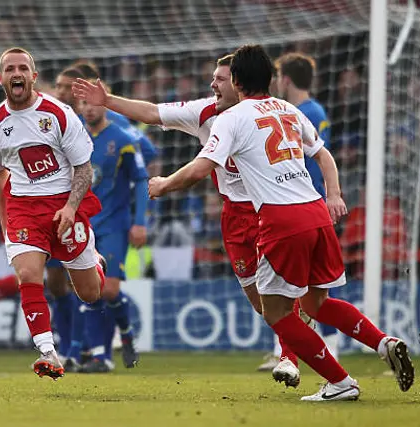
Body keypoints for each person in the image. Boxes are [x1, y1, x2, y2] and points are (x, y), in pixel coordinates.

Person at [147, 44, 414, 401]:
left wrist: (164, 184)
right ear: (271, 78)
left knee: (276, 312)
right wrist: (334, 194)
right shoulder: (288, 108)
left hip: (281, 218)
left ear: (237, 81)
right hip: (317, 213)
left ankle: (340, 382)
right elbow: (322, 154)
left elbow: (200, 168)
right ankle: (383, 342)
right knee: (316, 304)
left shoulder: (232, 117)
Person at [73, 54, 306, 387]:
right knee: (261, 303)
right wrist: (108, 100)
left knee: (277, 290)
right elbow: (153, 113)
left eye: (221, 79)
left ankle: (290, 357)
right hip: (234, 216)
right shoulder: (204, 112)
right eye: (212, 78)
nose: (213, 84)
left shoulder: (268, 112)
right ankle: (297, 323)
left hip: (269, 210)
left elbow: (315, 152)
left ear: (238, 82)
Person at [0, 47, 106, 379]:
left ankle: (94, 261)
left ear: (33, 77)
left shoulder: (59, 114)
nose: (17, 73)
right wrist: (5, 218)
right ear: (1, 78)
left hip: (65, 204)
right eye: (9, 69)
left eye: (23, 68)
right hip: (23, 206)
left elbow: (84, 169)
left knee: (90, 293)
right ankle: (49, 352)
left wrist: (70, 207)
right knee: (27, 274)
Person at [261, 52, 340, 366]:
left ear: (286, 79)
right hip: (305, 204)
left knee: (301, 283)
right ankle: (288, 351)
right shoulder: (308, 110)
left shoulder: (301, 112)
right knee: (291, 283)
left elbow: (318, 158)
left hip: (300, 203)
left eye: (279, 77)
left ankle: (312, 349)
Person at [66, 90, 148, 373]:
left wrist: (140, 222)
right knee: (88, 290)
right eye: (84, 103)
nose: (89, 108)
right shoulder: (74, 137)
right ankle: (100, 356)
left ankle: (125, 333)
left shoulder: (123, 139)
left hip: (114, 224)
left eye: (93, 102)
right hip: (84, 224)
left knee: (109, 289)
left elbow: (141, 179)